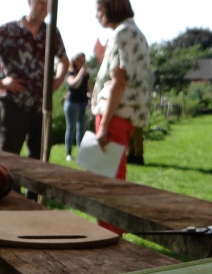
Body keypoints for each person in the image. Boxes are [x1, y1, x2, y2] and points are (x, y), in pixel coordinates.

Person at [0, 0, 69, 160]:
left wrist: (56, 82)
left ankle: (33, 187)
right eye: (40, 2)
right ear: (29, 2)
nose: (44, 7)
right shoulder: (9, 30)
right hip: (14, 104)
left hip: (41, 107)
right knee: (8, 158)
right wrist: (0, 83)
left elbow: (64, 62)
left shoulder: (52, 33)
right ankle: (8, 186)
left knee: (40, 160)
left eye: (48, 4)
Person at [91, 0, 151, 232]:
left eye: (99, 10)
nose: (97, 15)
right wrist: (102, 57)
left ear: (111, 8)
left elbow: (119, 81)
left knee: (105, 183)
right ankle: (111, 232)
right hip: (126, 115)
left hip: (114, 115)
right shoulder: (137, 34)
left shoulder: (122, 33)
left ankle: (109, 235)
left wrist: (104, 125)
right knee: (110, 177)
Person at [64, 52, 91, 162]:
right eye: (81, 60)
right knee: (71, 128)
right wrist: (81, 72)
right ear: (75, 61)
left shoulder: (86, 74)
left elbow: (88, 89)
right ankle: (69, 153)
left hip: (84, 103)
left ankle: (81, 153)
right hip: (72, 104)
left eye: (84, 61)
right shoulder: (69, 73)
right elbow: (74, 84)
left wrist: (91, 97)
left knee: (82, 129)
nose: (83, 63)